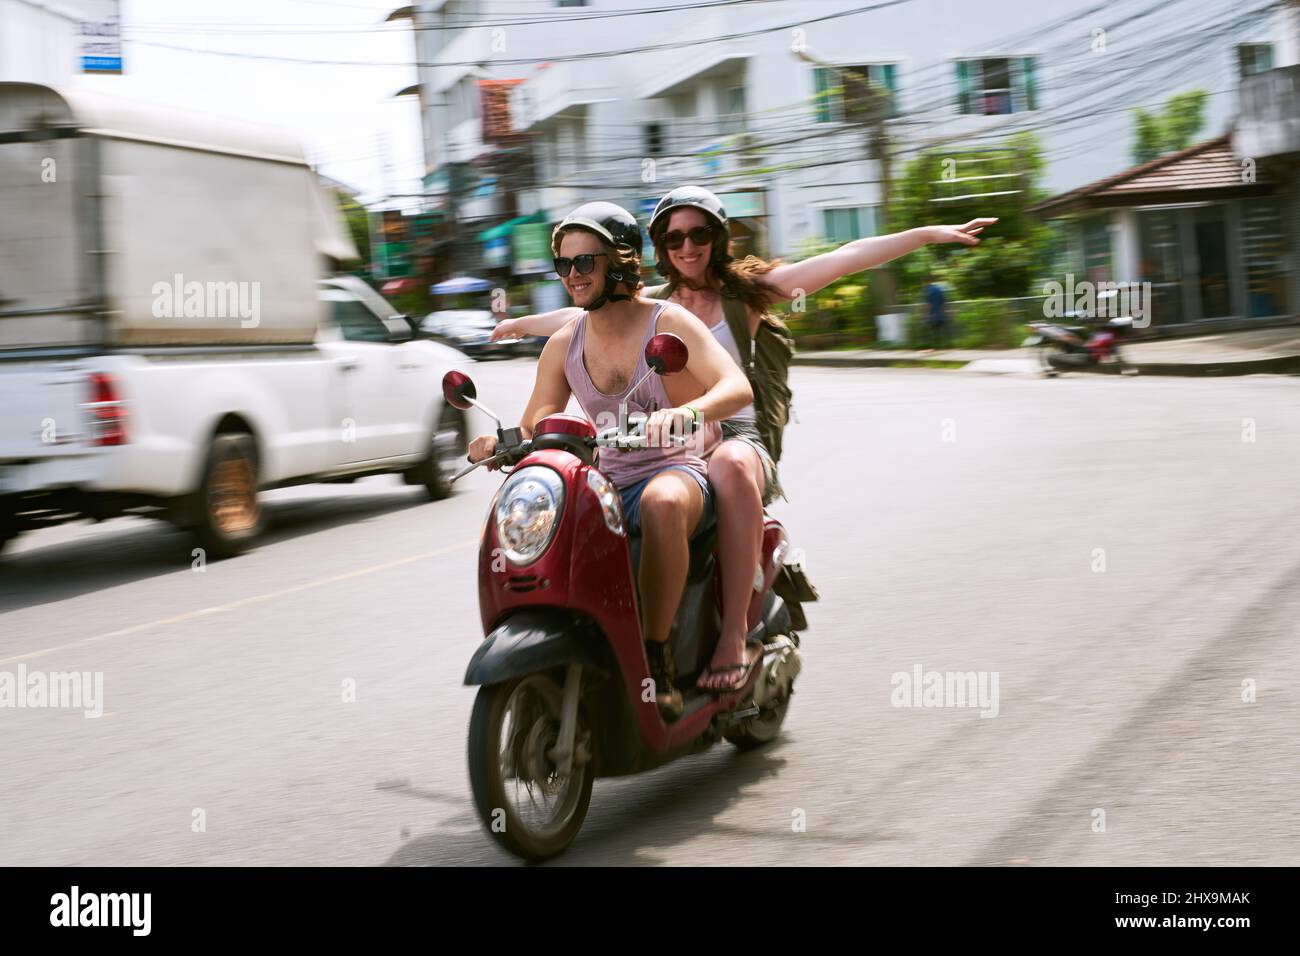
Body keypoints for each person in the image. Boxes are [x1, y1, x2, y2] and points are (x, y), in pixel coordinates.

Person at [493, 186, 995, 690]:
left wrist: (929, 234)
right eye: (672, 238)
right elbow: (582, 318)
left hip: (735, 430)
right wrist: (518, 325)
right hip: (655, 438)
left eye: (698, 234)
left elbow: (843, 259)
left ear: (718, 236)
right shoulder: (651, 304)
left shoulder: (743, 294)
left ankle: (733, 633)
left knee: (727, 464)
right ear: (656, 248)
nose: (686, 247)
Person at [467, 202, 752, 720]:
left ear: (619, 262)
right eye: (564, 265)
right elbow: (539, 421)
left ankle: (658, 654)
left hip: (678, 471)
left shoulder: (669, 321)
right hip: (605, 478)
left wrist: (685, 413)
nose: (572, 276)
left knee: (663, 503)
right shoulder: (564, 343)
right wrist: (500, 442)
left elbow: (736, 387)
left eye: (585, 263)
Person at [923, 274, 951, 350]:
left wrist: (926, 314)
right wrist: (946, 311)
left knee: (933, 331)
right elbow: (944, 301)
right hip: (941, 314)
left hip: (933, 314)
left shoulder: (928, 290)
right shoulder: (939, 288)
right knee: (940, 330)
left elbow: (929, 304)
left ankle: (935, 347)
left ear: (927, 282)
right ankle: (944, 346)